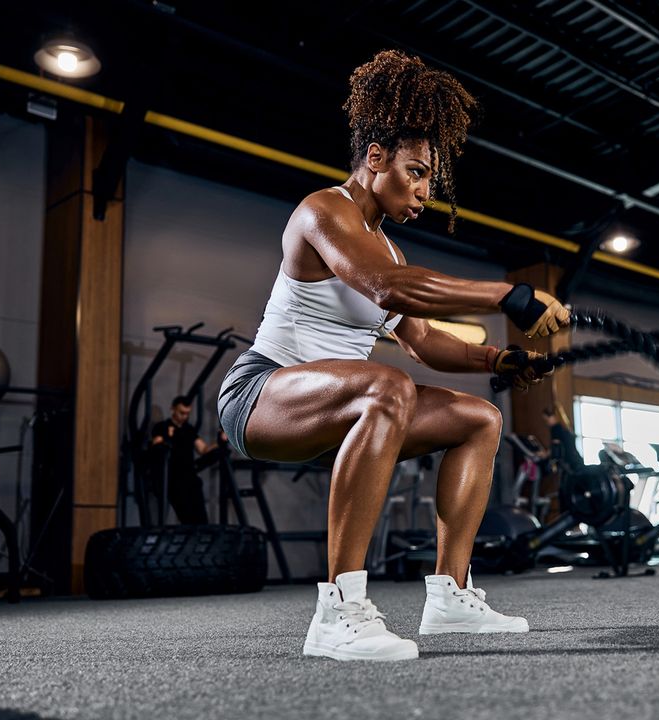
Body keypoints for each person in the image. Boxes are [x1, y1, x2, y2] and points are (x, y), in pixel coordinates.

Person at [217, 49, 569, 662]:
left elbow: (426, 340)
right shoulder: (323, 211)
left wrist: (498, 363)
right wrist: (506, 295)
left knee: (478, 420)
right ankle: (338, 609)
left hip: (339, 404)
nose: (425, 192)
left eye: (430, 177)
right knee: (387, 386)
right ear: (375, 158)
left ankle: (450, 596)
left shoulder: (390, 250)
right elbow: (387, 289)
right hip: (261, 395)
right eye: (415, 171)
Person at [150, 395, 224, 525]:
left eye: (187, 414)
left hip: (190, 476)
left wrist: (221, 441)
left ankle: (201, 536)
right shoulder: (162, 427)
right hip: (172, 478)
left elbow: (203, 449)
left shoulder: (188, 430)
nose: (184, 416)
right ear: (173, 409)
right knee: (186, 517)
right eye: (181, 413)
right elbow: (157, 448)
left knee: (201, 518)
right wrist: (169, 437)